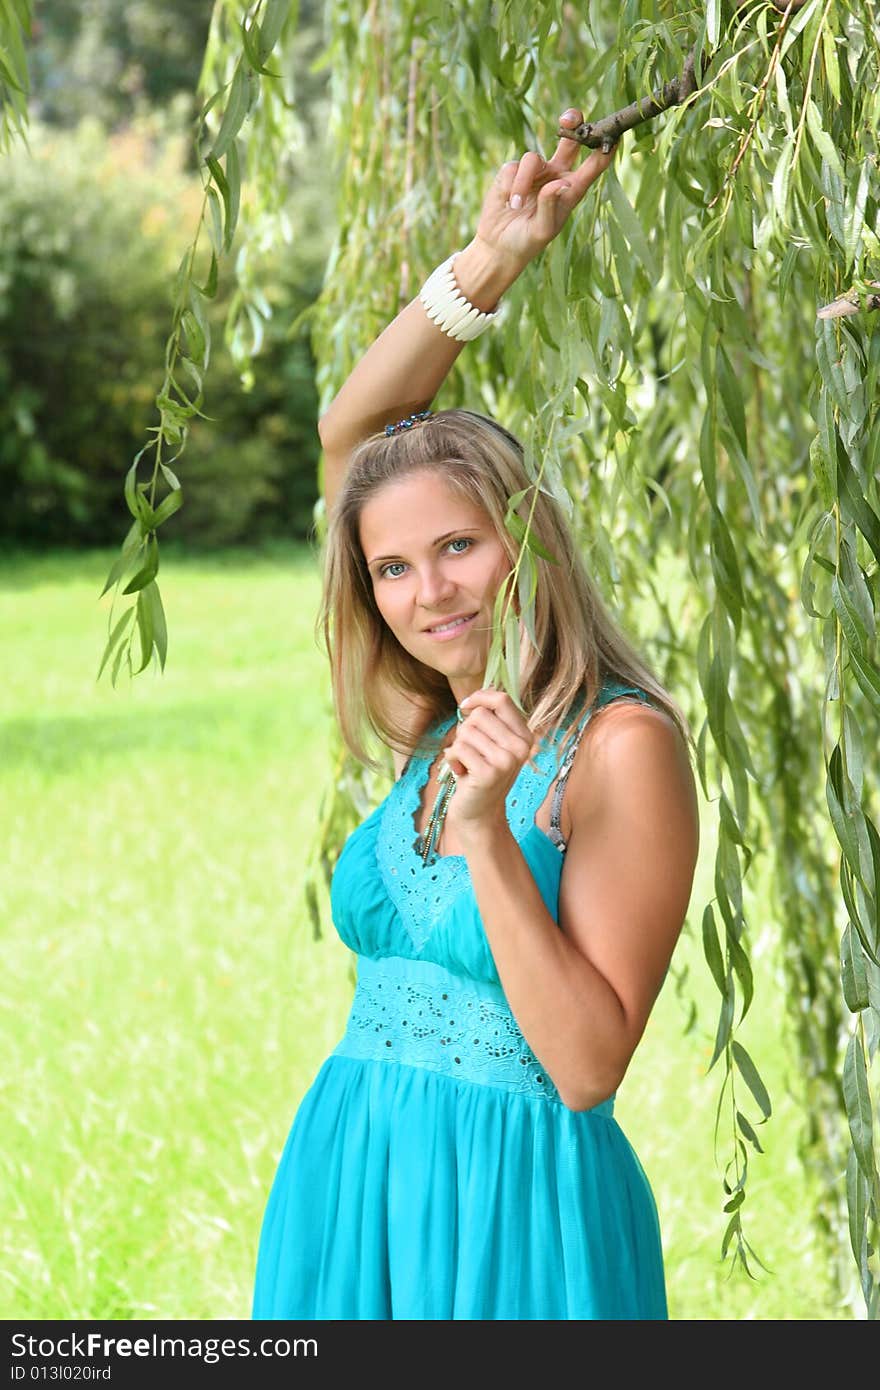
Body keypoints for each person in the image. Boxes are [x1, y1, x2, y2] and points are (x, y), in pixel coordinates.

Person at [251, 106, 700, 1321]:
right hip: (355, 1179)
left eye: (457, 545)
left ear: (525, 543)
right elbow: (355, 437)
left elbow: (587, 1063)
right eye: (392, 568)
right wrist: (493, 258)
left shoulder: (619, 743)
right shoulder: (438, 721)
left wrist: (491, 837)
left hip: (515, 1211)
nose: (424, 590)